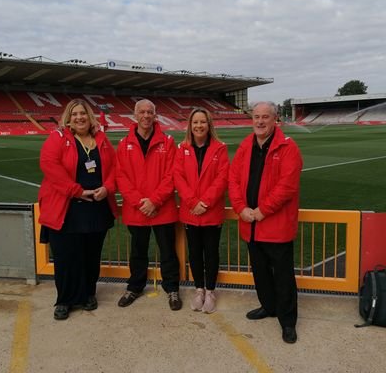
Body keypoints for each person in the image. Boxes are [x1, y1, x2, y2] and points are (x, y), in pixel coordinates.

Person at [228, 101, 303, 344]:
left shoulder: (288, 148)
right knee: (260, 273)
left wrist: (261, 210)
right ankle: (268, 307)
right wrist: (241, 208)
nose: (260, 121)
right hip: (250, 224)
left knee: (282, 276)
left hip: (275, 225)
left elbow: (287, 187)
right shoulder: (245, 146)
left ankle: (288, 321)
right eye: (256, 116)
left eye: (265, 117)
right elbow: (233, 180)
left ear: (275, 120)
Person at [38, 98, 118, 320]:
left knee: (91, 255)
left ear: (90, 116)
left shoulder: (100, 139)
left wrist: (108, 187)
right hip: (67, 208)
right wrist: (76, 191)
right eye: (74, 114)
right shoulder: (58, 138)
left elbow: (114, 167)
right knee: (65, 257)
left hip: (95, 209)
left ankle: (88, 294)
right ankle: (65, 300)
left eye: (83, 113)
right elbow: (49, 166)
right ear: (68, 119)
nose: (79, 117)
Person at [115, 99, 182, 311]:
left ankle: (172, 289)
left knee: (168, 252)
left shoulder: (168, 142)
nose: (146, 116)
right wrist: (139, 201)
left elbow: (172, 175)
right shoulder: (124, 143)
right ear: (135, 115)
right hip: (137, 210)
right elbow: (121, 176)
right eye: (142, 112)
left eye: (150, 112)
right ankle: (135, 287)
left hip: (162, 208)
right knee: (137, 252)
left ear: (155, 115)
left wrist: (154, 200)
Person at [174, 108, 229, 313]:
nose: (199, 126)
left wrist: (204, 202)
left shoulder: (219, 148)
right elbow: (178, 177)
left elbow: (222, 178)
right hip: (190, 212)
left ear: (209, 125)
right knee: (195, 253)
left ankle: (211, 290)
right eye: (195, 122)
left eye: (202, 122)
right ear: (190, 125)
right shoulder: (182, 148)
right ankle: (199, 289)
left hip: (211, 211)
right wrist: (191, 201)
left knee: (211, 252)